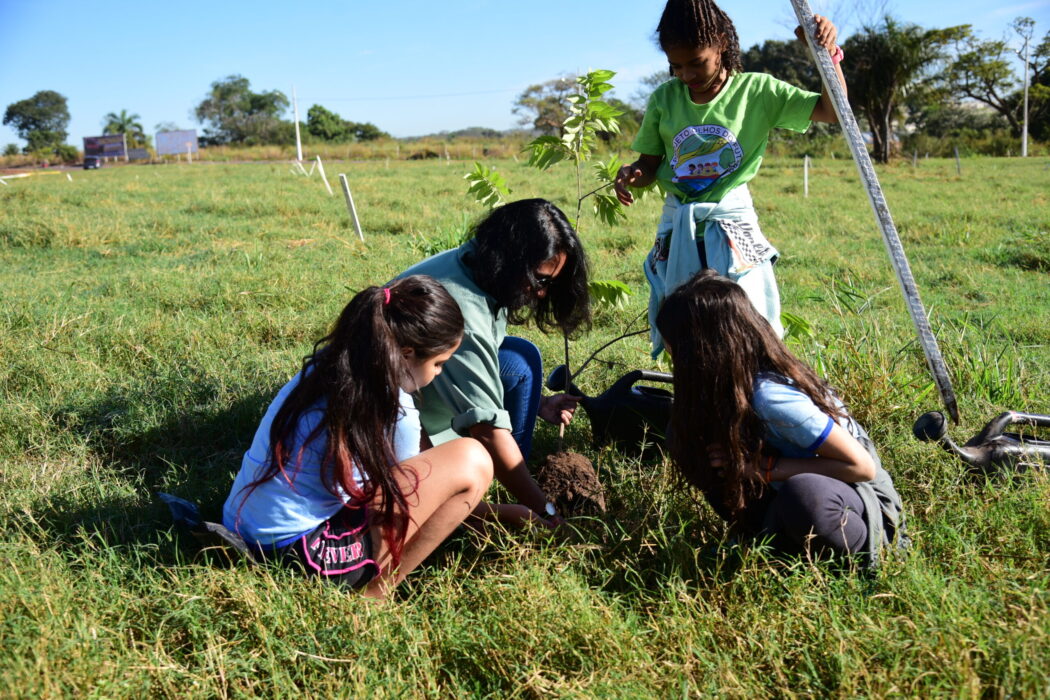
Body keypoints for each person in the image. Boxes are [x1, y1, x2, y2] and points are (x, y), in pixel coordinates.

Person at [222, 275, 494, 598]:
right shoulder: (397, 410)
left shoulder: (325, 368)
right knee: (473, 460)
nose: (439, 374)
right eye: (438, 363)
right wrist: (490, 514)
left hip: (242, 525)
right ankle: (374, 597)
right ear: (406, 354)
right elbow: (412, 505)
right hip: (297, 552)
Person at [614, 0, 847, 356]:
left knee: (746, 326)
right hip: (680, 230)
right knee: (686, 330)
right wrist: (632, 174)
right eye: (676, 66)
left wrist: (824, 54)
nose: (686, 75)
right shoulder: (665, 97)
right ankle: (697, 403)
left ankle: (749, 401)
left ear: (722, 42)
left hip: (731, 227)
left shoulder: (757, 92)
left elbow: (833, 112)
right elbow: (649, 164)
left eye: (696, 63)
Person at [656, 270, 907, 566]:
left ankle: (848, 561)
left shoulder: (771, 399)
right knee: (685, 432)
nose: (668, 350)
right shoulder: (727, 385)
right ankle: (759, 540)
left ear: (704, 351)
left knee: (804, 494)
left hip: (860, 506)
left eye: (675, 346)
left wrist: (765, 468)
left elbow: (861, 467)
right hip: (782, 494)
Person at [397, 199, 591, 527]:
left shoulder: (474, 263)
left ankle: (514, 472)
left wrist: (539, 404)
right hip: (394, 411)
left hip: (416, 381)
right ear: (510, 260)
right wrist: (546, 511)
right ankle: (501, 489)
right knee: (477, 453)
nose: (542, 294)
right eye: (540, 281)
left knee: (519, 360)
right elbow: (486, 431)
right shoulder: (464, 313)